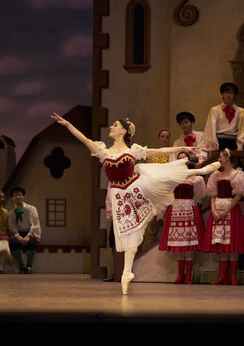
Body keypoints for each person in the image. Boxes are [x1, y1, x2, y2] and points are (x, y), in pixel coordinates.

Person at [51, 113, 220, 295]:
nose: (111, 127)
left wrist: (184, 148)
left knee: (165, 174)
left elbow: (157, 151)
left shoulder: (132, 151)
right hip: (119, 195)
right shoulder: (102, 151)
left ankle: (200, 170)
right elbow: (83, 139)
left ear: (123, 131)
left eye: (114, 125)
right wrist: (68, 124)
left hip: (136, 186)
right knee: (127, 232)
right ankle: (126, 273)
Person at [158, 152, 206, 284]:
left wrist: (193, 205)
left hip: (189, 208)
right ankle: (181, 274)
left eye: (184, 158)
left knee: (189, 242)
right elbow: (166, 194)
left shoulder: (194, 177)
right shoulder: (173, 178)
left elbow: (200, 195)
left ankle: (189, 275)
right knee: (179, 242)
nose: (182, 161)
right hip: (176, 209)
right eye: (179, 159)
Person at [202, 149, 244, 285]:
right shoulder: (216, 175)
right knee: (221, 243)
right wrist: (213, 210)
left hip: (230, 209)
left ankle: (232, 276)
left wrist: (226, 210)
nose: (219, 159)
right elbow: (213, 194)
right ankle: (222, 276)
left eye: (221, 157)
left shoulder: (237, 174)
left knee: (231, 243)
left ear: (227, 158)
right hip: (218, 209)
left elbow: (238, 195)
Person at [200, 82, 244, 152]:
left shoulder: (240, 111)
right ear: (222, 94)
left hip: (233, 143)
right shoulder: (215, 110)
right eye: (226, 93)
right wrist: (213, 147)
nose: (228, 95)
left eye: (231, 93)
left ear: (234, 95)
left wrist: (239, 147)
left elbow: (242, 131)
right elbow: (211, 129)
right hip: (219, 142)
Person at [8, 187, 41, 274]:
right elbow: (12, 226)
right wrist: (18, 236)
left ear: (23, 196)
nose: (17, 197)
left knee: (32, 243)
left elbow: (35, 224)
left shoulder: (31, 208)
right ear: (12, 198)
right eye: (15, 195)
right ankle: (21, 265)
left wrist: (28, 236)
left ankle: (29, 265)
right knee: (12, 244)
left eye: (19, 194)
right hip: (18, 233)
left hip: (30, 232)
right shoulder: (11, 213)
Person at [0, 191, 11, 273]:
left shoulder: (6, 212)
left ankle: (1, 269)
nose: (2, 199)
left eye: (3, 197)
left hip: (3, 234)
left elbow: (7, 226)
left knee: (4, 249)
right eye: (0, 197)